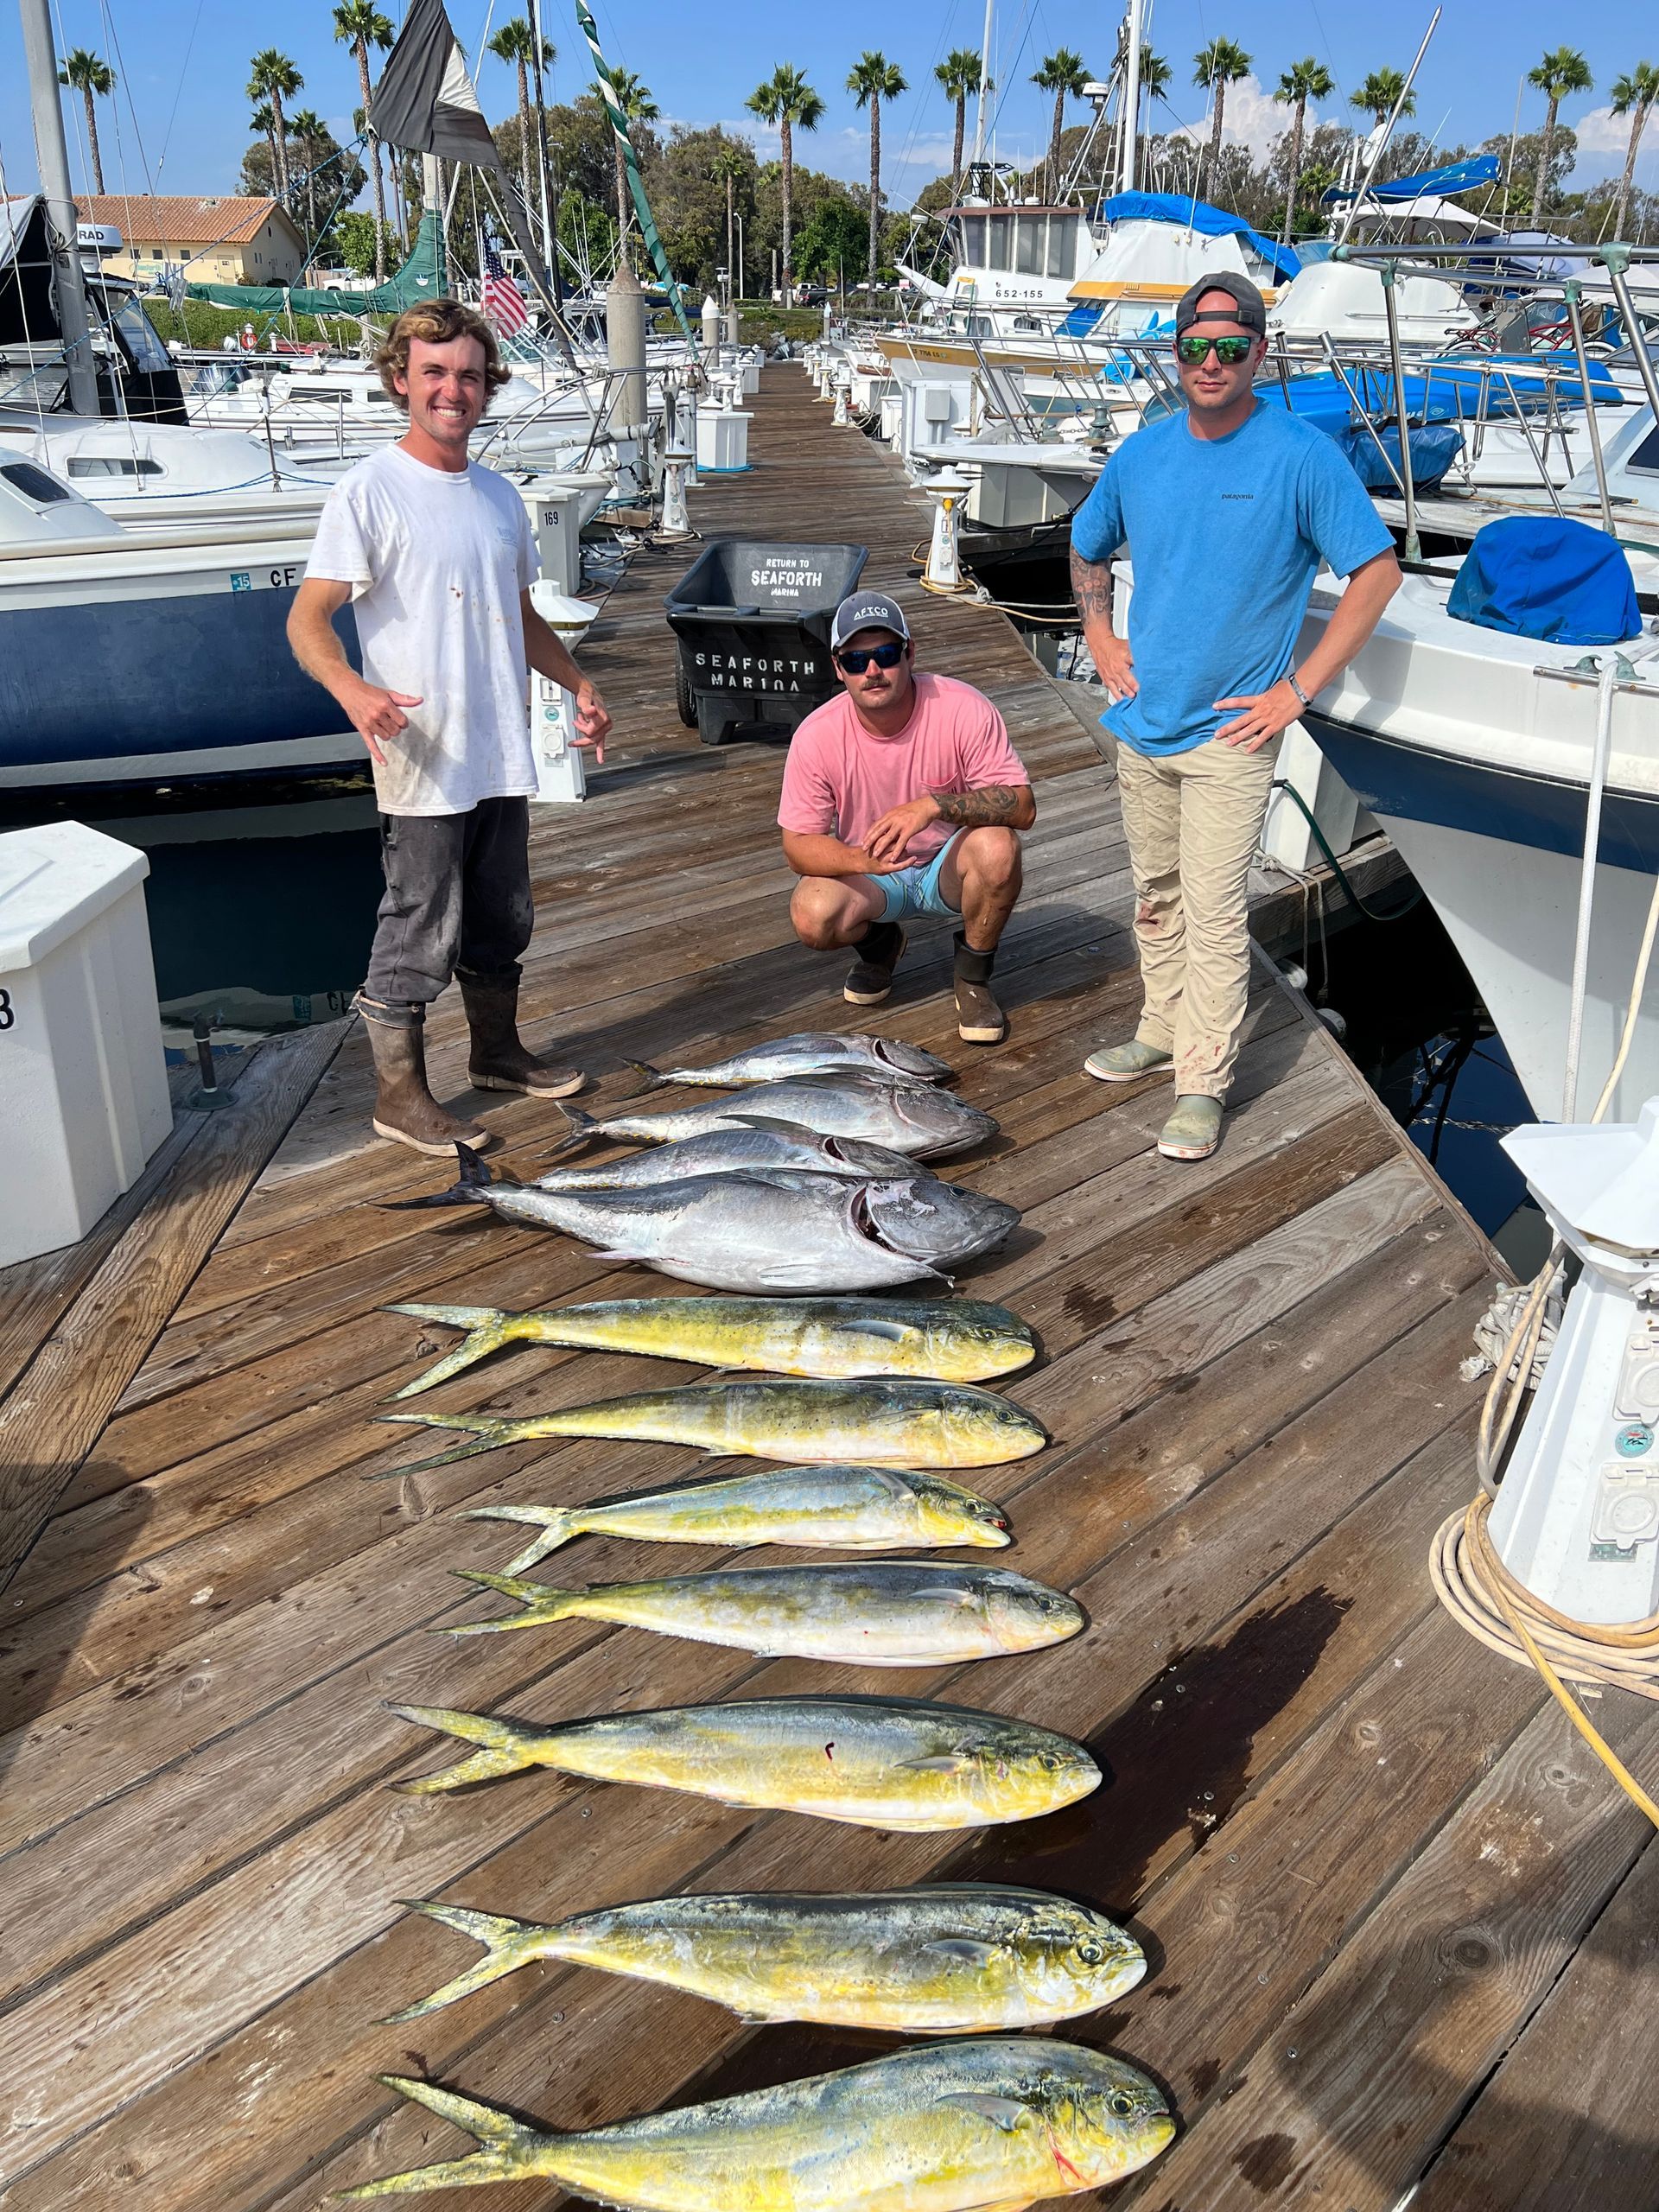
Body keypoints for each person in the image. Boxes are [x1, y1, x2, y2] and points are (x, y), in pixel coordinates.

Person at [1069, 272, 1401, 1161]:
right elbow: (1085, 543)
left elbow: (1377, 572)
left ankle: (1202, 1081)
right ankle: (1161, 1029)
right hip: (1143, 722)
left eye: (1229, 346)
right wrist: (1099, 634)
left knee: (1217, 913)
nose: (1210, 362)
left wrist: (1298, 691)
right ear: (1173, 353)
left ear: (1261, 350)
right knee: (1155, 896)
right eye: (1193, 346)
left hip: (1229, 736)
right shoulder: (1142, 451)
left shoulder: (1300, 455)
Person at [287, 296, 611, 1155]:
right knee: (419, 924)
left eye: (468, 374)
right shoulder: (367, 491)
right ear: (402, 380)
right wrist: (355, 691)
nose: (452, 389)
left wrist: (578, 681)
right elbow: (308, 622)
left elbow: (520, 613)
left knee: (503, 917)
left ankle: (499, 1053)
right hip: (421, 759)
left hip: (499, 748)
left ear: (487, 385)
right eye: (434, 372)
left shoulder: (501, 498)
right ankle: (400, 1095)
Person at [779, 591, 1034, 1045]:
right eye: (856, 661)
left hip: (948, 865)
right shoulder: (815, 735)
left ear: (910, 652)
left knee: (999, 847)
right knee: (812, 913)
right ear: (838, 668)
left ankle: (973, 977)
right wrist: (860, 860)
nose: (872, 671)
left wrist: (934, 805)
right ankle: (882, 948)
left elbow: (1022, 806)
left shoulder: (963, 707)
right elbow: (798, 844)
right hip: (875, 871)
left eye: (886, 654)